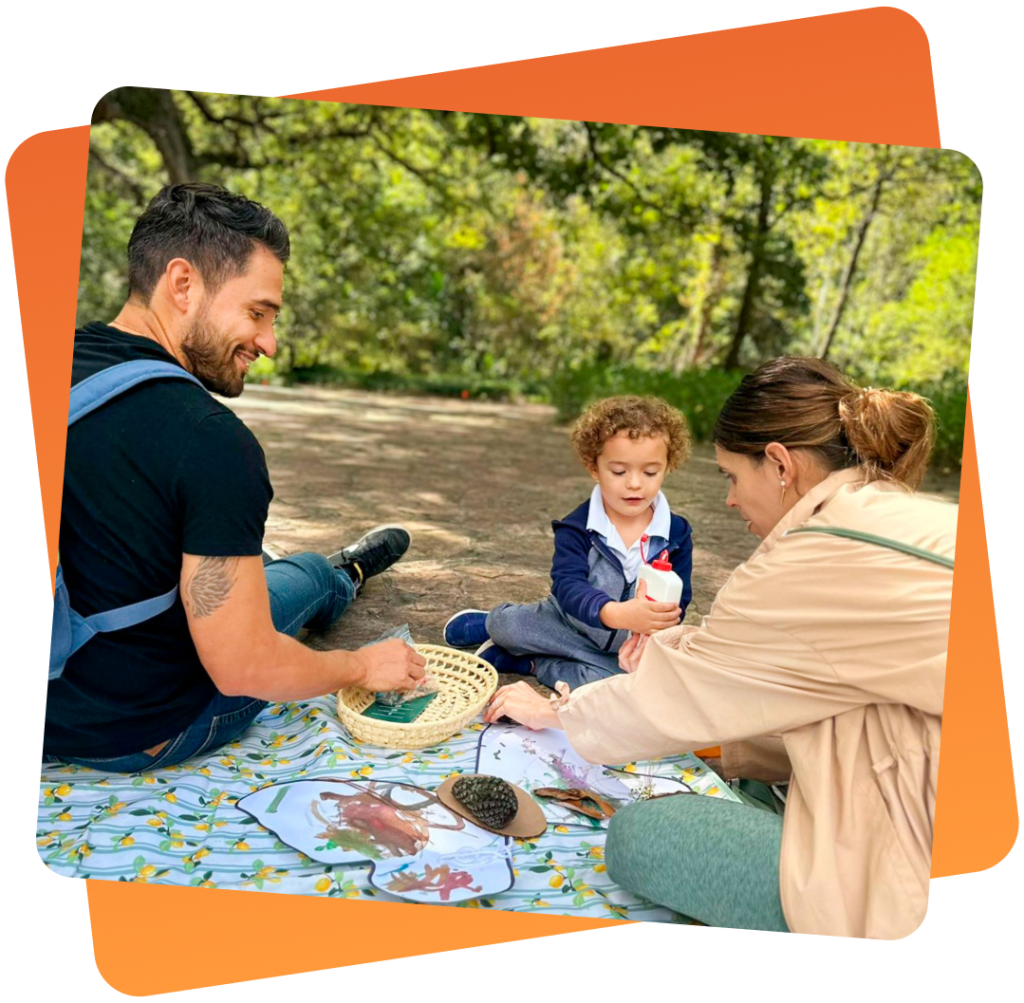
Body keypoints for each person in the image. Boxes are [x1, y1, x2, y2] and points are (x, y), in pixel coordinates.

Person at [483, 357, 956, 940]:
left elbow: (672, 697)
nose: (729, 500)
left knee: (640, 835)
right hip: (927, 781)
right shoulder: (909, 516)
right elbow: (797, 676)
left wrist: (558, 711)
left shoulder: (803, 560)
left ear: (779, 464)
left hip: (902, 864)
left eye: (730, 477)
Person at [42, 183, 426, 774]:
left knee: (227, 562)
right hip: (138, 731)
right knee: (300, 576)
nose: (269, 342)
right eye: (257, 313)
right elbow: (244, 669)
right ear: (183, 284)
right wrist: (361, 665)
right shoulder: (212, 441)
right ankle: (340, 576)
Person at [443, 396, 694, 691]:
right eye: (619, 471)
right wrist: (613, 613)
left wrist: (653, 630)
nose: (635, 483)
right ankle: (490, 625)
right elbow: (567, 585)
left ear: (667, 467)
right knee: (508, 627)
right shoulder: (577, 526)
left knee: (613, 686)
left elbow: (680, 598)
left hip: (620, 647)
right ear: (593, 467)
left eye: (650, 472)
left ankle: (532, 664)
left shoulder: (676, 534)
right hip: (565, 623)